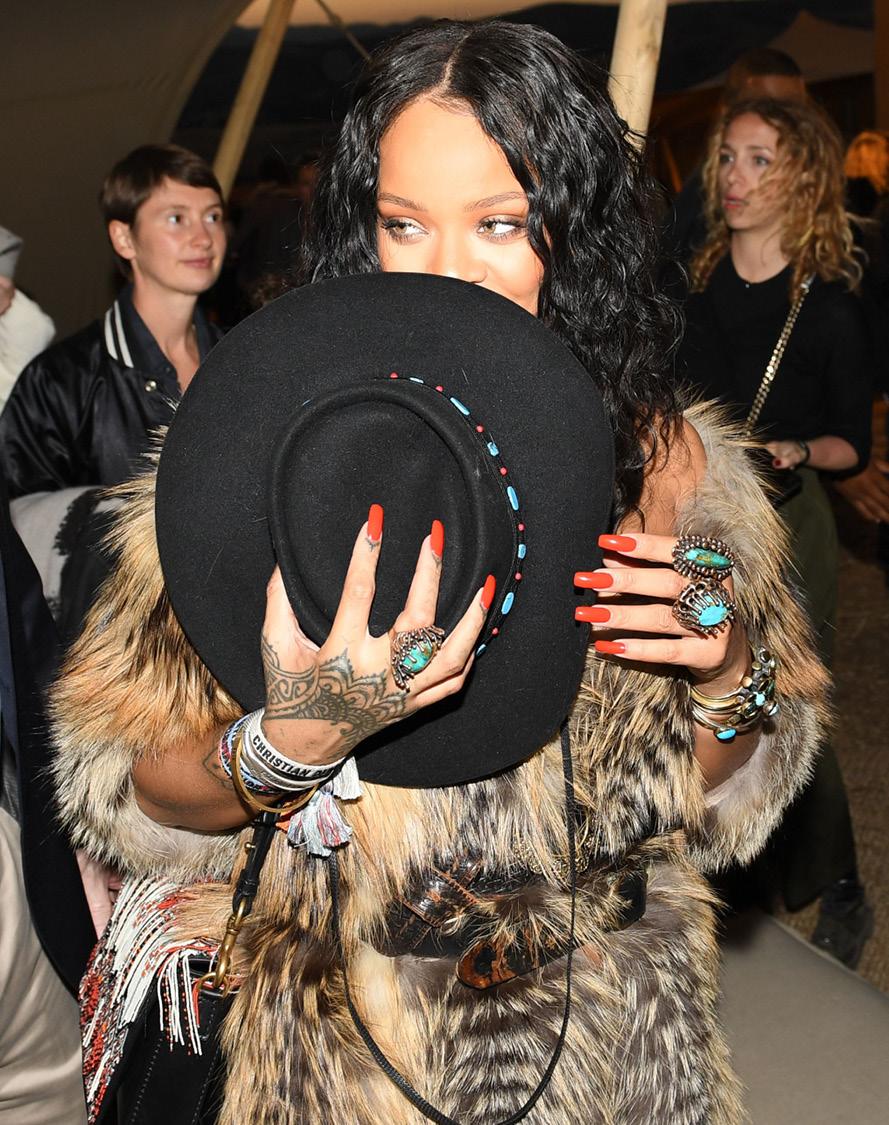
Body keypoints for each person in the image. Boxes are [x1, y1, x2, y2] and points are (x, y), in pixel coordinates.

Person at [52, 21, 827, 1124]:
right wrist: (287, 743)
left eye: (499, 223)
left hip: (624, 1047)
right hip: (357, 1056)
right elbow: (135, 786)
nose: (447, 269)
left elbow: (707, 799)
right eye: (404, 223)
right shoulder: (260, 460)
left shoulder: (672, 472)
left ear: (572, 233)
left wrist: (729, 673)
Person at [680, 96, 873, 964]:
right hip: (701, 514)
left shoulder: (825, 308)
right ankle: (736, 872)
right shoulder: (694, 287)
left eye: (759, 160)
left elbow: (850, 443)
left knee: (787, 698)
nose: (735, 177)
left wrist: (798, 447)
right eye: (728, 156)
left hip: (789, 521)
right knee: (701, 695)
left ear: (800, 178)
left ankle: (840, 881)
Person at [0, 144, 226, 498]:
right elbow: (24, 514)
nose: (203, 238)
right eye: (176, 219)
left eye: (213, 217)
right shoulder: (61, 382)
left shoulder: (242, 358)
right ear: (124, 239)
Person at [663, 47, 807, 275]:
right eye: (772, 107)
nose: (790, 122)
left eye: (797, 109)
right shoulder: (704, 203)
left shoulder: (823, 214)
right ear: (729, 109)